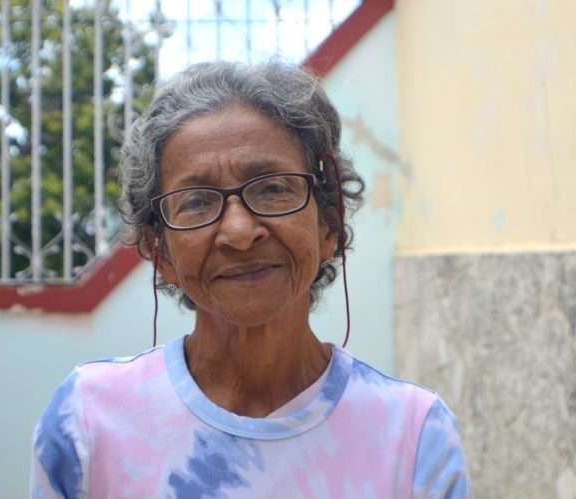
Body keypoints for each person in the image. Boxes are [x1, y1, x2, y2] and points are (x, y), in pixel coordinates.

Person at [30, 61, 472, 499]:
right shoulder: (88, 419)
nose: (240, 233)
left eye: (272, 188)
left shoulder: (412, 436)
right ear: (159, 251)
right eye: (197, 202)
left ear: (329, 226)